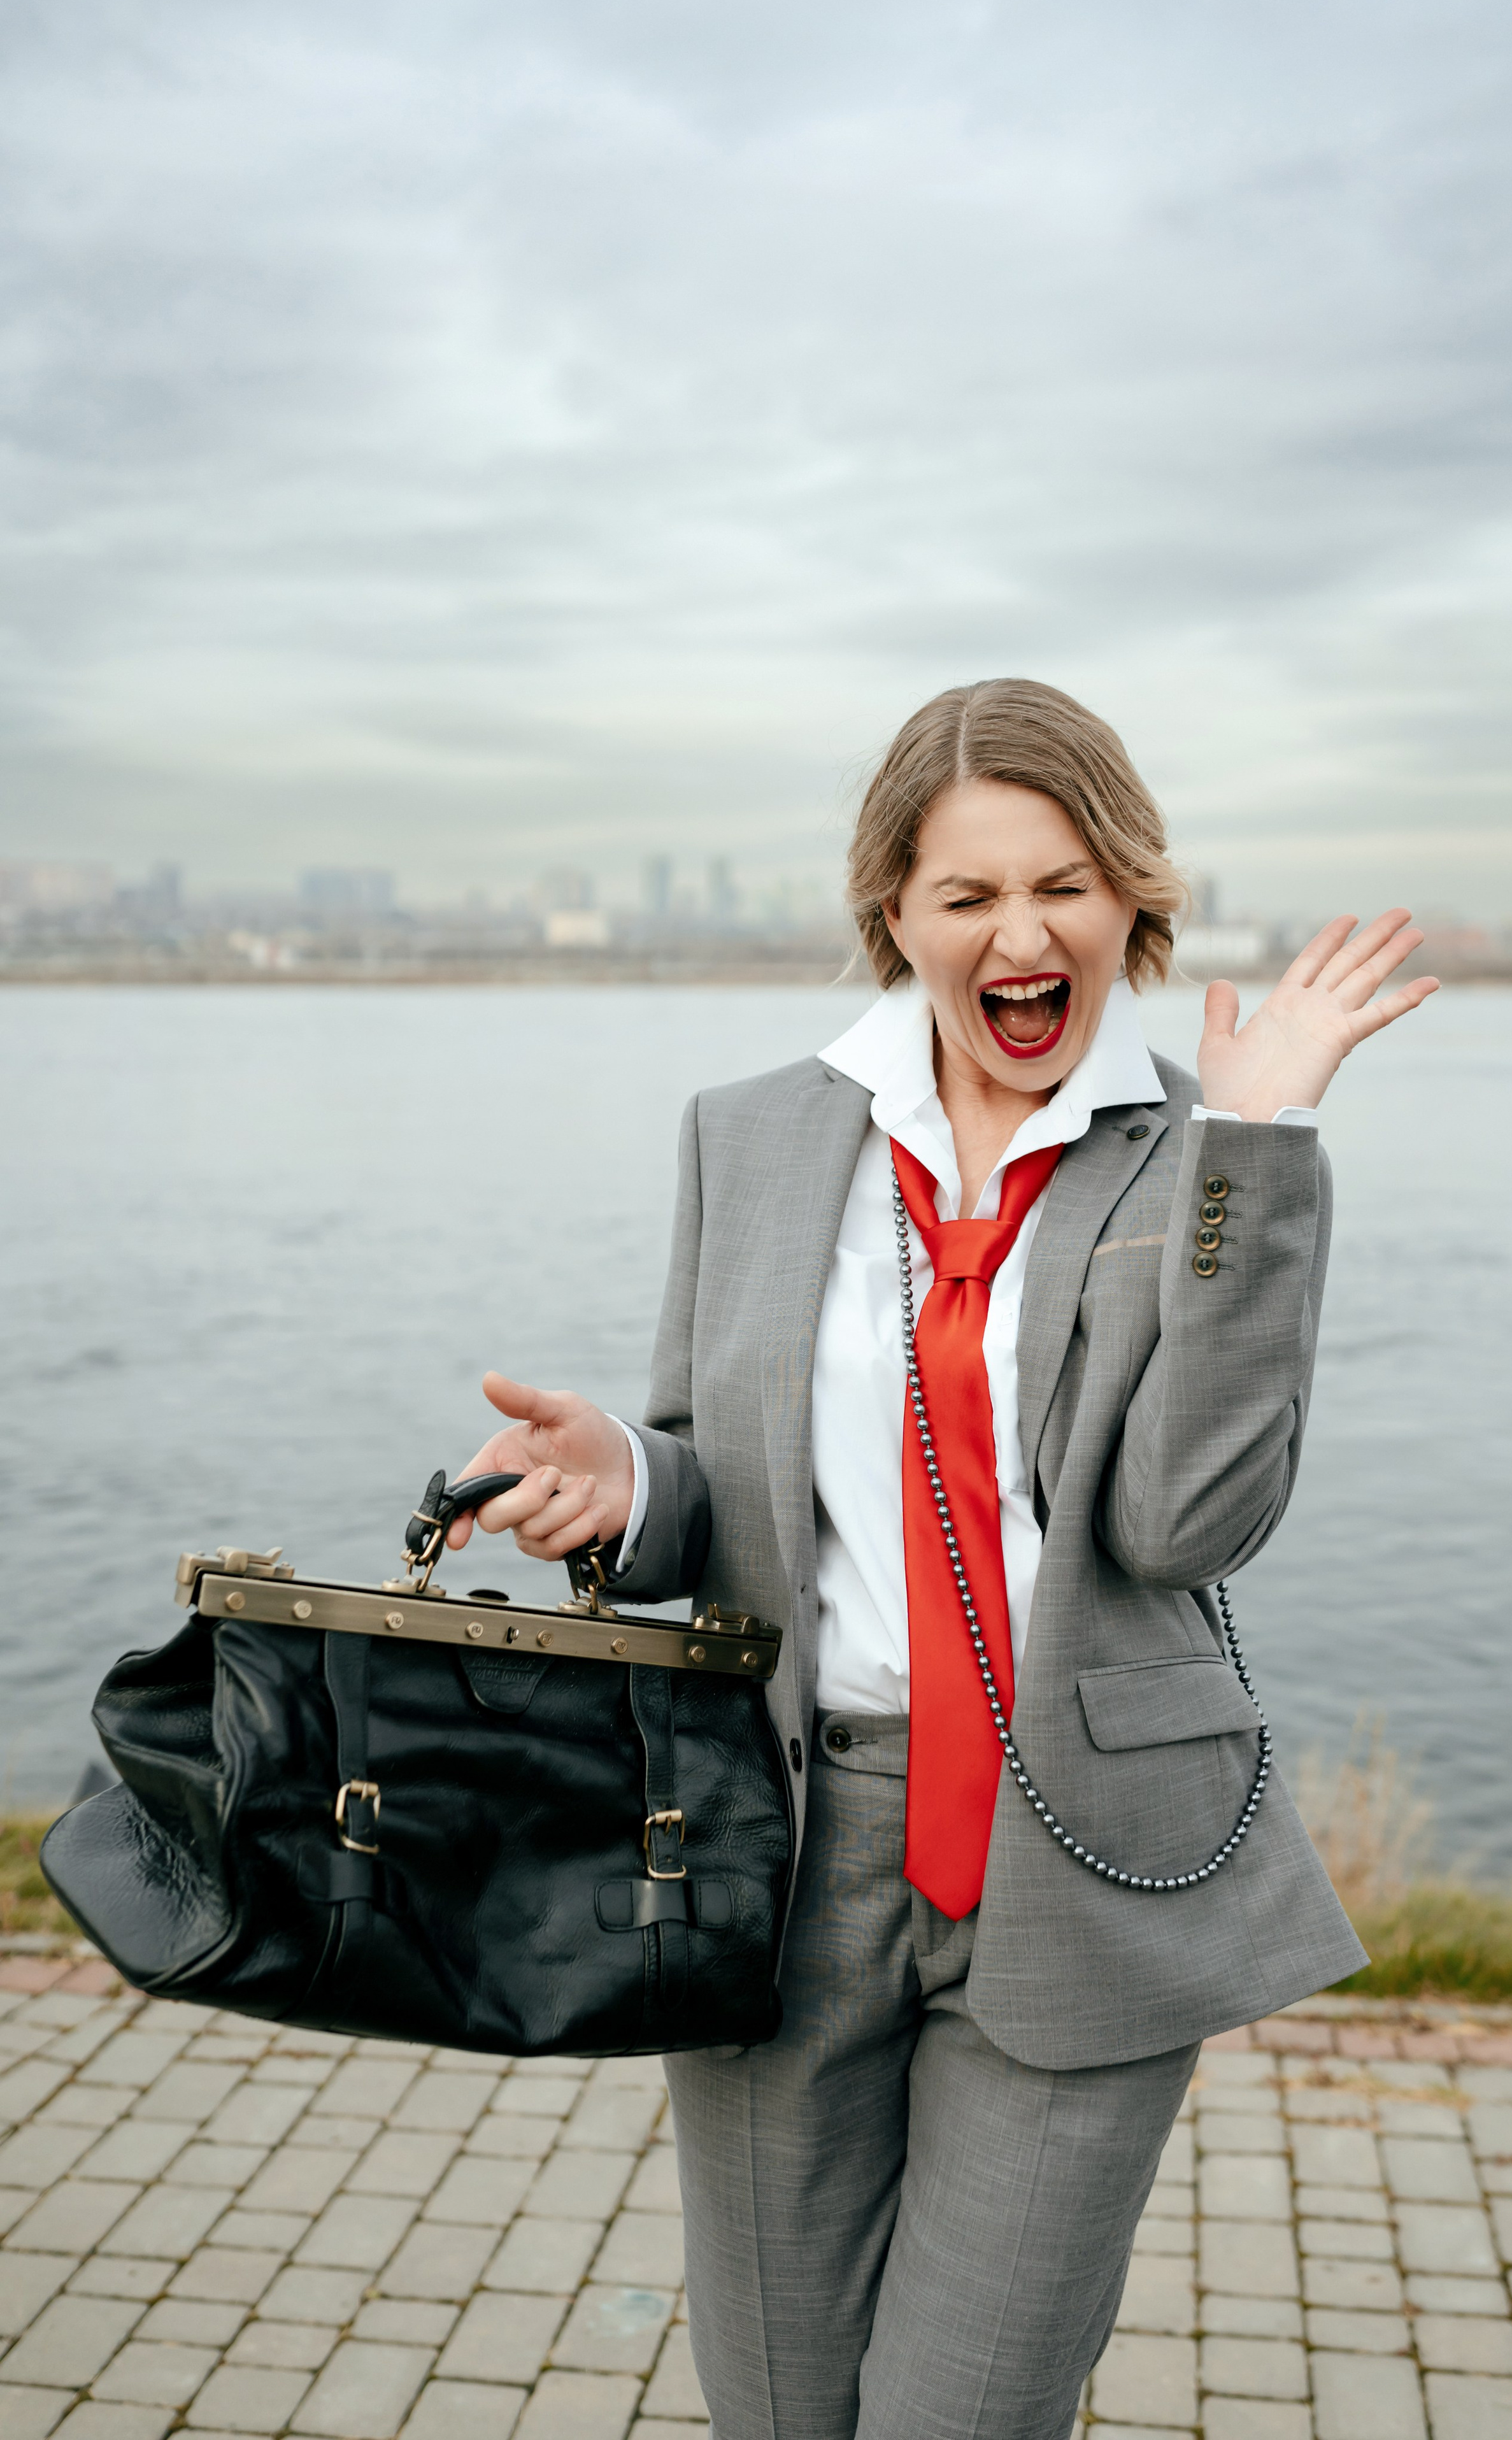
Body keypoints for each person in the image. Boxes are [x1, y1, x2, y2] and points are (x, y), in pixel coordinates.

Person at [447, 678, 1438, 2440]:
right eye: (966, 893)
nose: (1020, 932)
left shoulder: (1203, 1160)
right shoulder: (748, 1136)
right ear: (893, 915)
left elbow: (1186, 1522)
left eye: (1063, 883)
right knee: (777, 2405)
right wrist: (625, 1478)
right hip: (789, 1857)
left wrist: (1260, 1144)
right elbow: (723, 1490)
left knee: (959, 2415)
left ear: (1131, 897)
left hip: (1080, 1863)